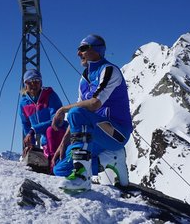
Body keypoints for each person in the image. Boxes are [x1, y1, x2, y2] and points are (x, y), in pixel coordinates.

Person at [51, 34, 133, 192]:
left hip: (116, 133)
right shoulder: (84, 78)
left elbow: (94, 104)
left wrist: (63, 109)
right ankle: (111, 158)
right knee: (60, 169)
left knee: (75, 112)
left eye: (82, 49)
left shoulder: (109, 70)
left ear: (96, 50)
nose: (78, 53)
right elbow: (80, 114)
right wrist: (64, 143)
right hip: (95, 134)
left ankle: (82, 177)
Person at [19, 69, 68, 174]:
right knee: (44, 151)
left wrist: (33, 130)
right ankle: (52, 167)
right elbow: (25, 124)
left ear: (41, 82)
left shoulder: (50, 95)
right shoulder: (24, 103)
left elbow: (56, 120)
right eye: (29, 81)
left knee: (50, 130)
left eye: (36, 80)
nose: (33, 84)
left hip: (60, 133)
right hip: (46, 140)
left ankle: (54, 167)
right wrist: (30, 144)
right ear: (25, 84)